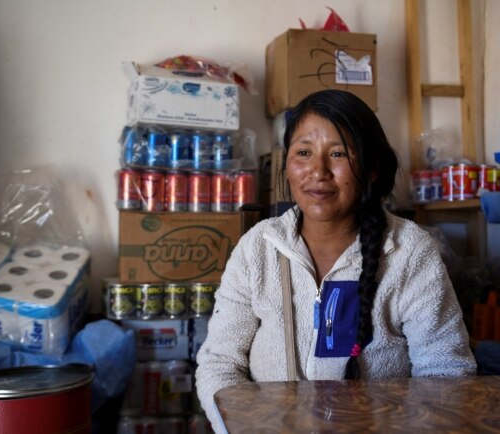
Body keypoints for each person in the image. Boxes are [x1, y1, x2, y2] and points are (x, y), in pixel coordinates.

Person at [195, 89, 476, 432]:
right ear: (287, 164)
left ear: (372, 168)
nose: (318, 171)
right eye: (303, 153)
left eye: (338, 153)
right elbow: (219, 364)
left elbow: (445, 375)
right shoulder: (257, 248)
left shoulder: (410, 251)